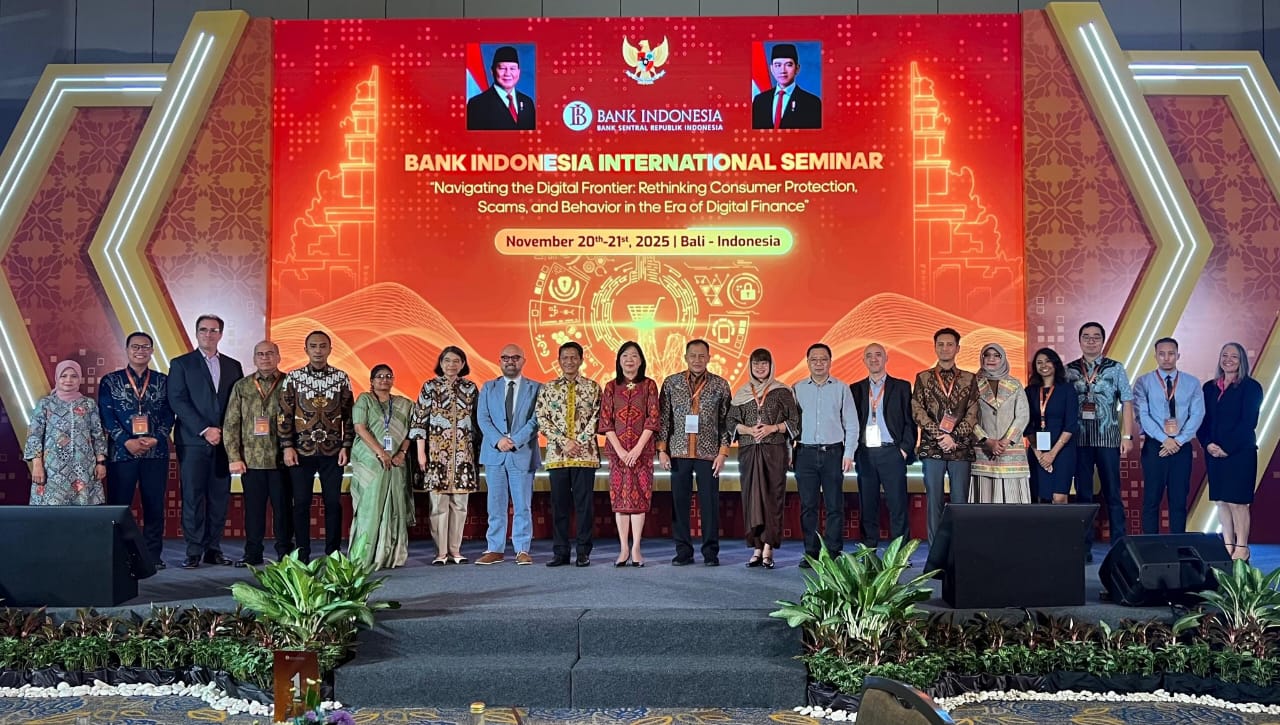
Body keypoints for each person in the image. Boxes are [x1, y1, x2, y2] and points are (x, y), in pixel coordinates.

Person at [167, 314, 243, 569]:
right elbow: (177, 400)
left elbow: (237, 404)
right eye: (203, 330)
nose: (208, 334)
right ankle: (193, 551)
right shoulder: (181, 364)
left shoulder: (233, 366)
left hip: (223, 443)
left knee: (219, 498)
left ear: (220, 334)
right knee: (193, 498)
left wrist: (224, 432)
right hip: (193, 442)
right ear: (196, 333)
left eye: (213, 330)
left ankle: (213, 549)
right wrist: (204, 429)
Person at [99, 332, 174, 568]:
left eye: (145, 347)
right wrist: (126, 441)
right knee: (120, 506)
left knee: (154, 505)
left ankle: (153, 556)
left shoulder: (163, 381)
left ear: (152, 350)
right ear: (127, 350)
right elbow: (107, 416)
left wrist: (156, 438)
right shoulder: (110, 381)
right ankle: (120, 554)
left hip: (155, 453)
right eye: (135, 347)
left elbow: (169, 414)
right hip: (122, 453)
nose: (140, 351)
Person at [279, 330, 355, 562]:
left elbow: (349, 416)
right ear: (306, 350)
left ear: (330, 349)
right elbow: (284, 415)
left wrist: (346, 446)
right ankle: (302, 553)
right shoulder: (294, 378)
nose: (318, 351)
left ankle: (333, 553)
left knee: (332, 503)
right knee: (301, 503)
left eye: (323, 346)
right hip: (301, 451)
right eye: (313, 346)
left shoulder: (341, 378)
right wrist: (287, 446)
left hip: (333, 452)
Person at [657, 338, 732, 566]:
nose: (697, 360)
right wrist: (662, 449)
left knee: (709, 504)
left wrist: (723, 452)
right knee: (679, 504)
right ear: (685, 357)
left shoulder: (720, 385)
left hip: (708, 454)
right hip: (678, 452)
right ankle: (683, 551)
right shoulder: (671, 383)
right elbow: (664, 419)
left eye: (702, 356)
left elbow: (726, 422)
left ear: (709, 358)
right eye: (693, 356)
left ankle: (710, 553)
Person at [224, 340, 293, 566]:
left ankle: (285, 554)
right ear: (254, 358)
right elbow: (231, 423)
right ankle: (252, 553)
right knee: (253, 512)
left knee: (284, 511)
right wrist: (234, 457)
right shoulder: (242, 386)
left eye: (270, 353)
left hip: (281, 460)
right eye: (260, 354)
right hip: (251, 461)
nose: (265, 358)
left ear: (278, 357)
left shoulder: (290, 384)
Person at [726, 348, 798, 569]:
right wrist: (748, 430)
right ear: (750, 366)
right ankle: (756, 548)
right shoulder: (742, 393)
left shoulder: (782, 391)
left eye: (764, 363)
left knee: (772, 498)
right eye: (756, 364)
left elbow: (794, 422)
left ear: (771, 365)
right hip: (749, 451)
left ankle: (768, 547)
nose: (760, 367)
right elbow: (730, 422)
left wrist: (772, 428)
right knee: (752, 498)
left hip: (774, 450)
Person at [1066, 321, 1135, 545]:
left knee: (1113, 493)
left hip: (1108, 439)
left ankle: (1119, 544)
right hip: (1079, 440)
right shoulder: (1069, 370)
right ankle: (1084, 546)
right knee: (1083, 495)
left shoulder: (1116, 368)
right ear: (1079, 340)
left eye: (1096, 337)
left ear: (1103, 341)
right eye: (1086, 336)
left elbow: (1127, 401)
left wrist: (1127, 436)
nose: (1091, 341)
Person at [792, 343, 859, 567]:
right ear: (807, 362)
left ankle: (832, 553)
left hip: (833, 453)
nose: (819, 363)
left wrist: (849, 453)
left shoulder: (842, 388)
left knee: (834, 506)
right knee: (808, 507)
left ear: (830, 362)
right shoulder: (797, 389)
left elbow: (852, 424)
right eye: (814, 359)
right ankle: (811, 553)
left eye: (823, 359)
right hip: (805, 453)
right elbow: (790, 425)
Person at [536, 341, 602, 567]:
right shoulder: (548, 388)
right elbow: (542, 418)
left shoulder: (593, 387)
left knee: (584, 506)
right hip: (558, 456)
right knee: (559, 506)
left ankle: (583, 552)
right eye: (565, 358)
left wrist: (579, 442)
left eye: (574, 357)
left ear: (581, 360)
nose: (569, 361)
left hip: (585, 455)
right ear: (559, 361)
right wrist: (564, 442)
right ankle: (560, 552)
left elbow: (598, 417)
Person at [413, 346, 481, 566]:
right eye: (447, 361)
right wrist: (421, 452)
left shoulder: (471, 388)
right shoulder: (430, 387)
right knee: (438, 505)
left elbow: (478, 422)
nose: (451, 365)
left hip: (463, 454)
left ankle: (455, 550)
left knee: (460, 505)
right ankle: (441, 552)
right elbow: (419, 421)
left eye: (456, 361)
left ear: (463, 364)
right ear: (441, 363)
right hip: (436, 455)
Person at [911, 327, 979, 544]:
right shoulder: (923, 377)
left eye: (950, 344)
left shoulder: (969, 378)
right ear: (934, 347)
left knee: (960, 502)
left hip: (960, 448)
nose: (945, 348)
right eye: (940, 344)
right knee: (934, 501)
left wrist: (954, 438)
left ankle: (960, 548)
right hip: (932, 447)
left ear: (958, 348)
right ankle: (935, 551)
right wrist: (939, 435)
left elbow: (973, 413)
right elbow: (917, 410)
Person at [475, 343, 541, 565]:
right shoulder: (488, 387)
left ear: (523, 361)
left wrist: (515, 440)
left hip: (522, 453)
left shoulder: (536, 388)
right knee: (495, 505)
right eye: (505, 357)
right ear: (500, 361)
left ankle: (522, 549)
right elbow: (483, 418)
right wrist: (499, 440)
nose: (510, 361)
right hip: (495, 453)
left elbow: (537, 420)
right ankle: (495, 549)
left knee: (523, 505)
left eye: (515, 357)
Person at [1197, 342, 1263, 561]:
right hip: (1213, 452)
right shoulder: (1209, 388)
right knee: (1221, 501)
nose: (1228, 360)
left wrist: (1227, 447)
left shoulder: (1251, 387)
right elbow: (1202, 421)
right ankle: (1227, 545)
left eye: (1234, 356)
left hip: (1240, 453)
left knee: (1238, 502)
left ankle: (1242, 548)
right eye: (1224, 355)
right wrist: (1208, 444)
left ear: (1242, 360)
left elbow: (1249, 422)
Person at [1132, 337, 1205, 534]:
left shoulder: (1191, 382)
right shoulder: (1143, 382)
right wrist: (1165, 439)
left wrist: (1178, 441)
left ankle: (1178, 544)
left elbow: (1197, 414)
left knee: (1179, 500)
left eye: (1171, 353)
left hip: (1182, 446)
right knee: (1151, 500)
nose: (1166, 358)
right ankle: (1150, 546)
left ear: (1178, 355)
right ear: (1155, 356)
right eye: (1162, 354)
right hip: (1155, 446)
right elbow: (1142, 415)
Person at [598, 341, 660, 567]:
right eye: (625, 356)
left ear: (641, 360)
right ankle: (624, 548)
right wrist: (621, 451)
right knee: (621, 500)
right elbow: (605, 422)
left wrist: (636, 449)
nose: (629, 360)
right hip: (617, 454)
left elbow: (653, 419)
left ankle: (636, 549)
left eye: (634, 355)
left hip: (642, 453)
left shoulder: (649, 385)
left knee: (639, 499)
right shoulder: (610, 387)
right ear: (619, 360)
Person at [851, 343, 916, 547]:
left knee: (897, 506)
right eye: (869, 355)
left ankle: (900, 552)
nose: (874, 359)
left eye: (878, 355)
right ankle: (868, 552)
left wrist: (903, 450)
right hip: (865, 454)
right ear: (863, 361)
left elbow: (910, 421)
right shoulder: (855, 389)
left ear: (886, 358)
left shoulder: (901, 387)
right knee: (868, 505)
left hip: (892, 452)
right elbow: (850, 423)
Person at [350, 364, 414, 570]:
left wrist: (401, 453)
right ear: (372, 381)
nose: (384, 379)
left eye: (388, 376)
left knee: (395, 508)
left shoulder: (404, 404)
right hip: (371, 461)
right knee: (370, 508)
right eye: (379, 376)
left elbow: (411, 431)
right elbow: (359, 428)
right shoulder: (364, 400)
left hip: (396, 462)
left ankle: (389, 556)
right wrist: (380, 452)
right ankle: (363, 557)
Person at [24, 360, 108, 505]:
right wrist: (37, 465)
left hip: (83, 467)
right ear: (57, 377)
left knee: (82, 512)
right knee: (53, 511)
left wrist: (100, 463)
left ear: (79, 378)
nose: (68, 380)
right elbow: (34, 435)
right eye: (64, 376)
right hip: (52, 469)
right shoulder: (46, 404)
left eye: (73, 376)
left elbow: (98, 434)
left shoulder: (89, 404)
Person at [969, 343, 1030, 504]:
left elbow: (1023, 415)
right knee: (985, 502)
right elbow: (969, 417)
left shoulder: (1015, 384)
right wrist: (987, 441)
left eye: (996, 355)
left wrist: (1005, 441)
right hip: (983, 451)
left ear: (1003, 359)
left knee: (1013, 504)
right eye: (987, 355)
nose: (991, 359)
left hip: (1010, 451)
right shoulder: (972, 383)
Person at [1024, 348, 1079, 504]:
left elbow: (1071, 425)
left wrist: (1052, 454)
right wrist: (1039, 454)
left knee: (1059, 497)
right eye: (1039, 362)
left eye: (1048, 361)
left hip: (1062, 449)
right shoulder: (1030, 391)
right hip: (1038, 449)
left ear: (1055, 364)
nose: (1044, 365)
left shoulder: (1067, 389)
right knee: (1041, 497)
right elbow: (1027, 425)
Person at [751, 43, 822, 129]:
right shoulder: (759, 100)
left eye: (788, 65)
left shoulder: (812, 103)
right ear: (772, 69)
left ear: (797, 68)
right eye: (778, 65)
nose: (783, 70)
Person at [466, 45, 536, 130]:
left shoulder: (528, 103)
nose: (508, 73)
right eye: (502, 68)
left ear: (518, 72)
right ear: (492, 71)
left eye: (512, 68)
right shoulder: (477, 105)